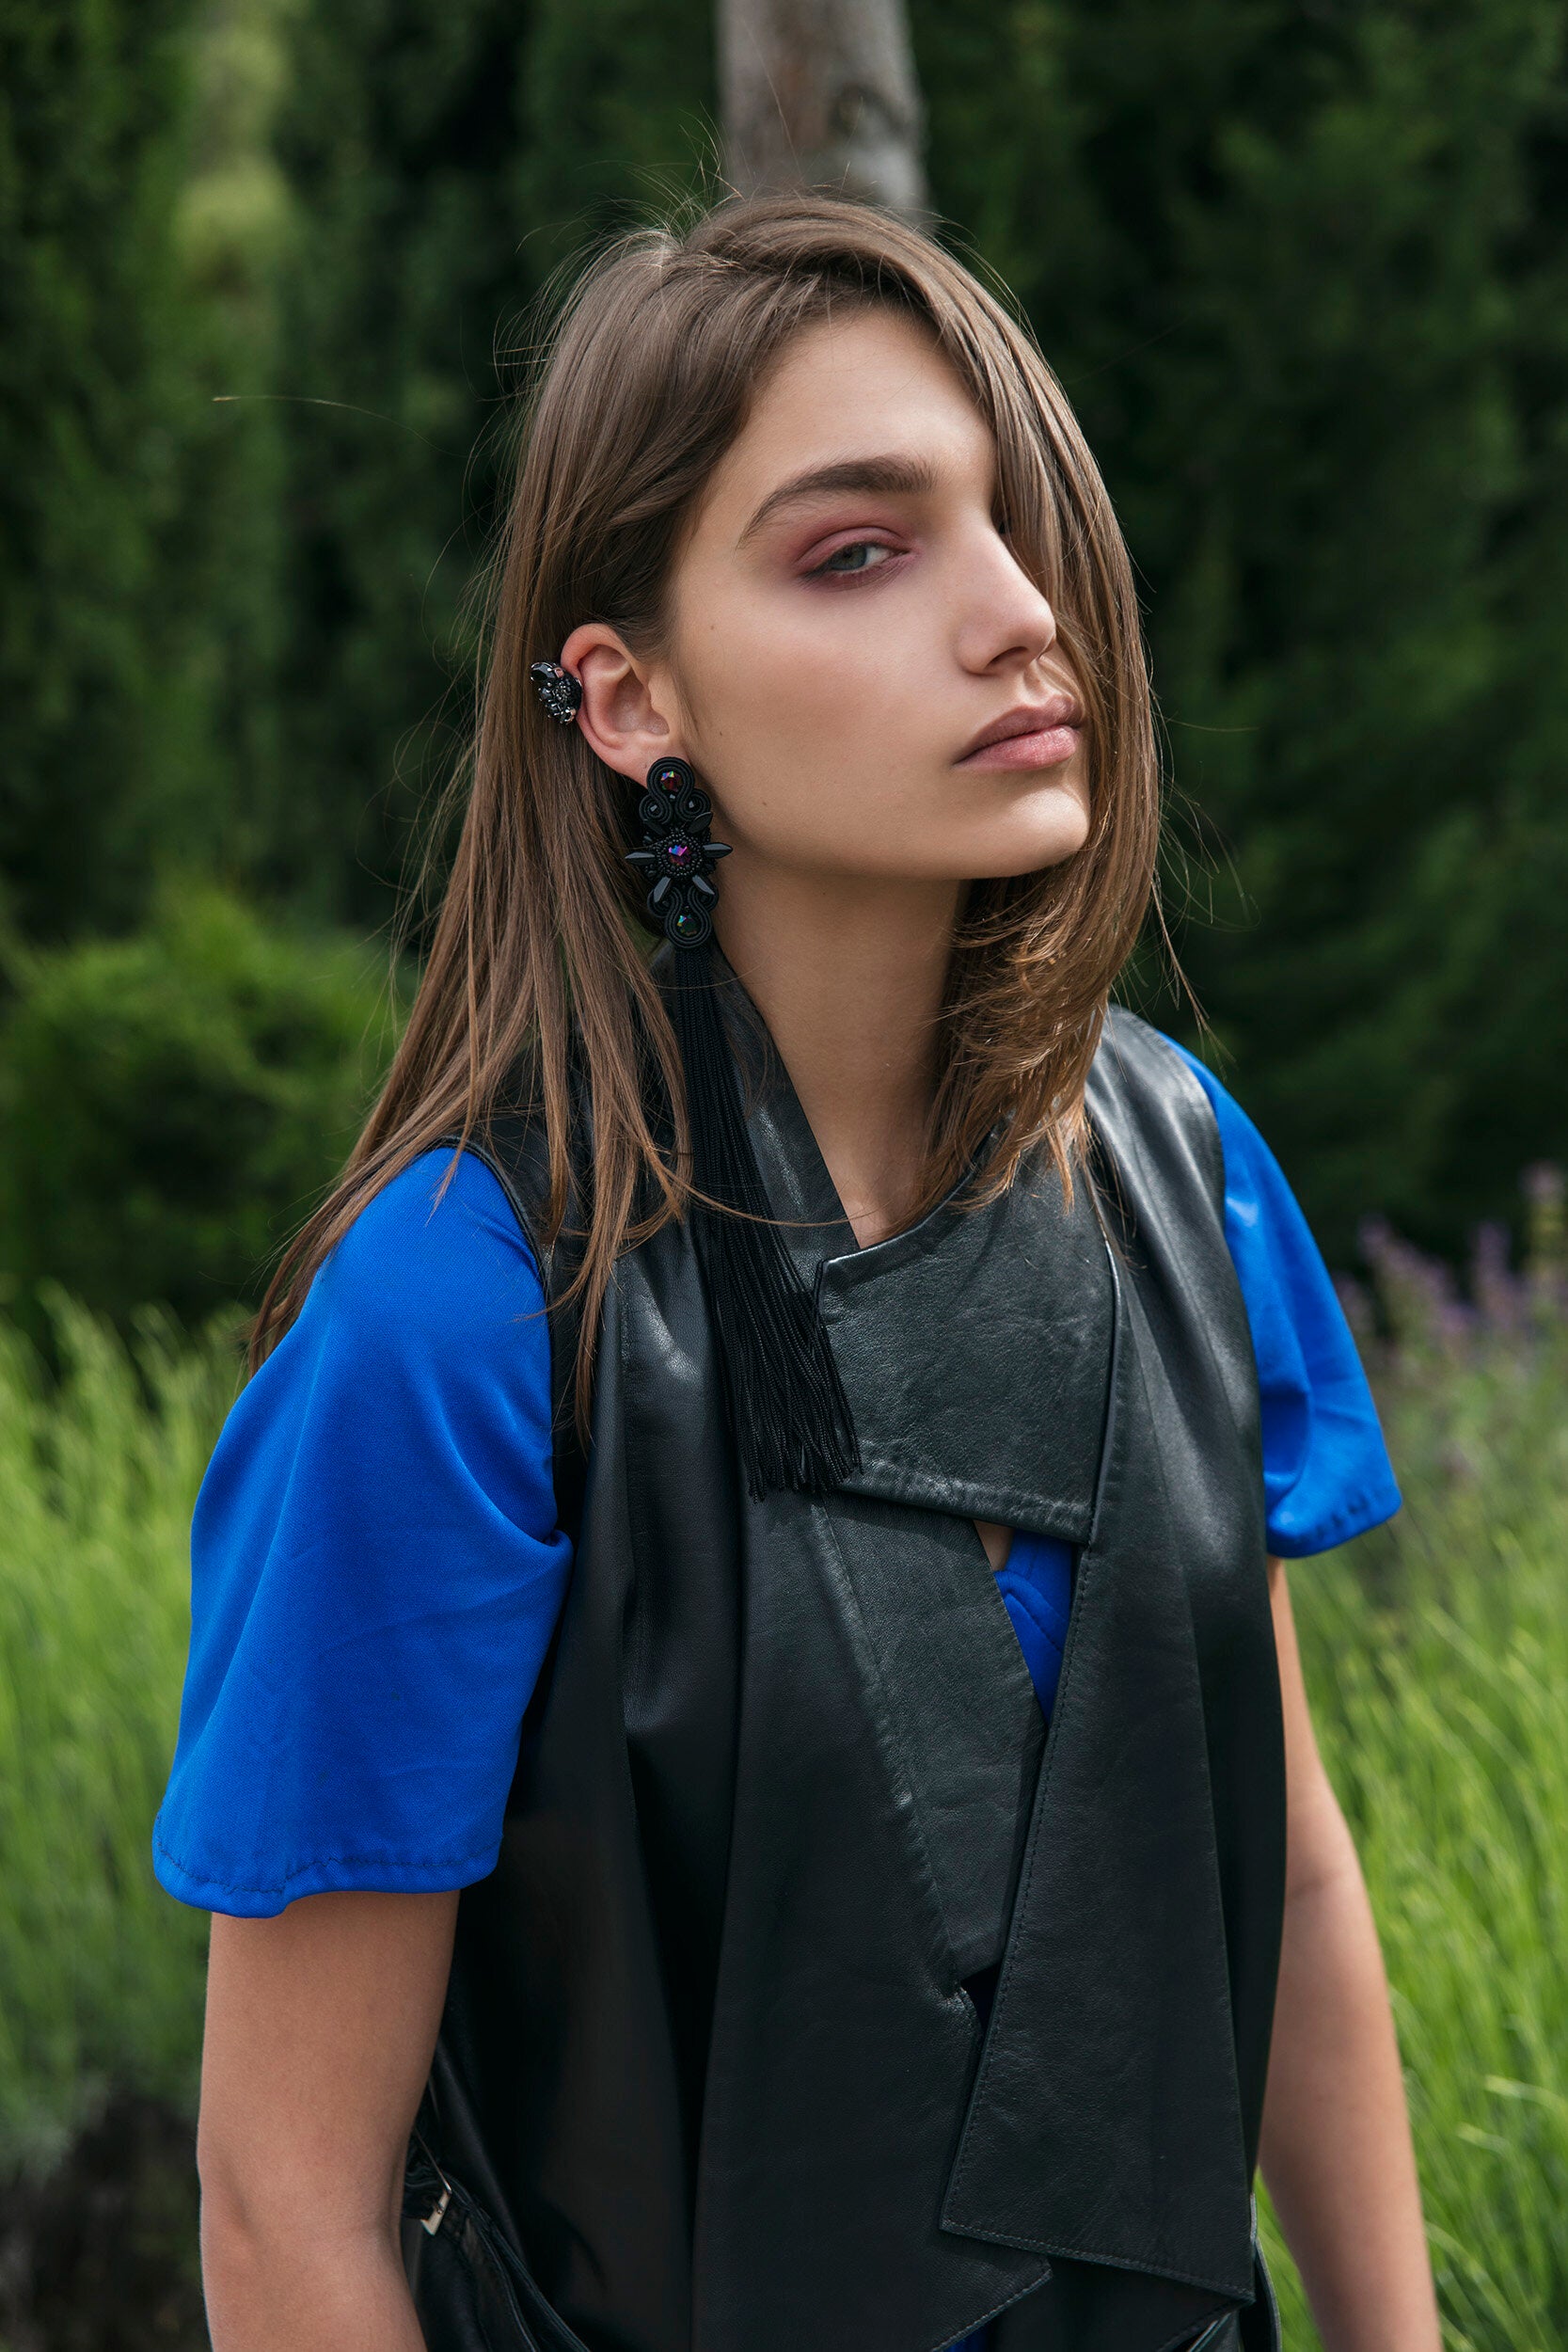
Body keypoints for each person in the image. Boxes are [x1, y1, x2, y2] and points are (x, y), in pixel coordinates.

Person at [152, 195, 1442, 2352]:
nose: (1023, 613)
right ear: (630, 698)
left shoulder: (1185, 1173)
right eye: (862, 550)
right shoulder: (460, 1321)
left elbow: (1284, 1867)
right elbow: (290, 2207)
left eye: (1016, 525)